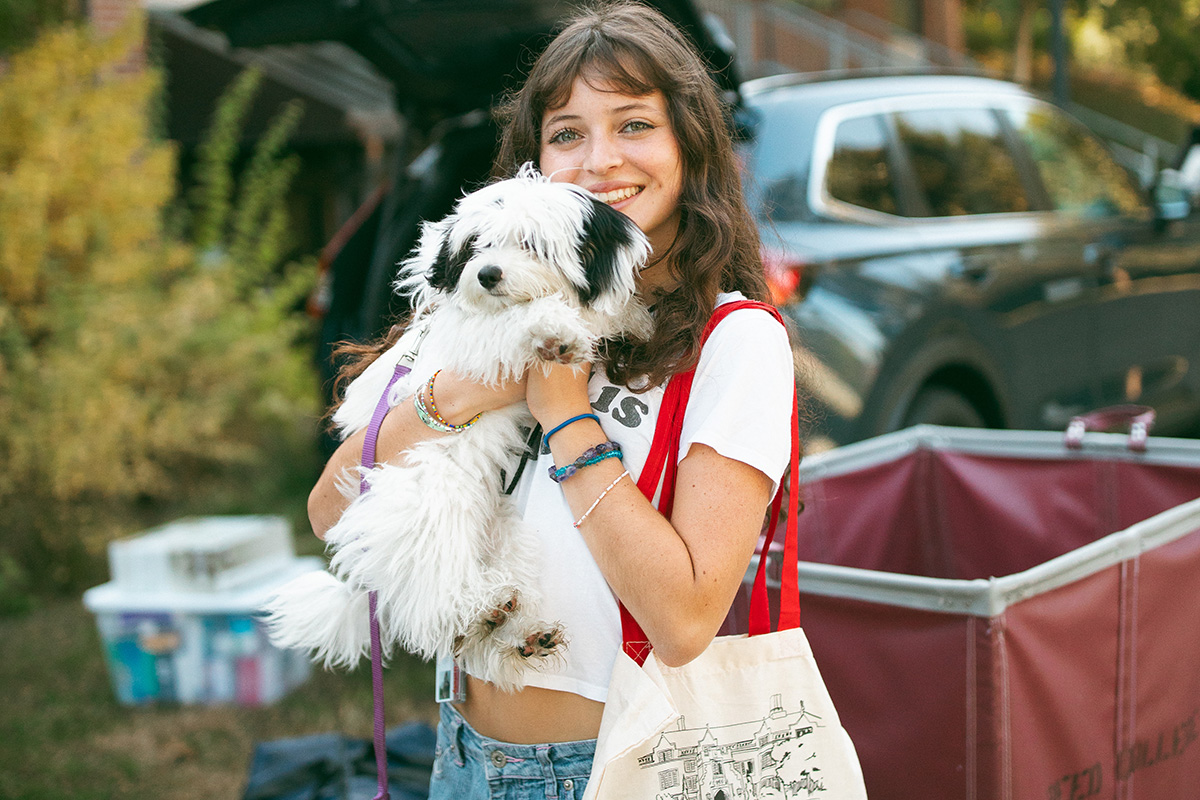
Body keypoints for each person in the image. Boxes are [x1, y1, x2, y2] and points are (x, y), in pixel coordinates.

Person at [306, 2, 796, 797]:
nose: (600, 160)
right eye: (568, 133)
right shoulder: (477, 308)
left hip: (605, 768)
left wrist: (567, 414)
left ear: (690, 143)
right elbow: (329, 513)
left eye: (634, 124)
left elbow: (683, 622)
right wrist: (457, 394)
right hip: (460, 753)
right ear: (534, 164)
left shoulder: (732, 342)